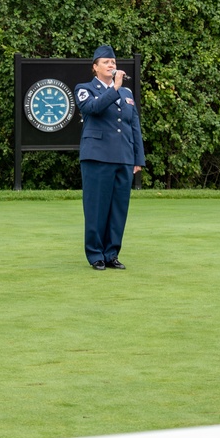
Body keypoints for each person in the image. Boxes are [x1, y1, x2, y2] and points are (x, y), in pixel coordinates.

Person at [75, 44, 145, 270]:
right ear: (95, 67)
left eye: (113, 62)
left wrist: (138, 158)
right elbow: (93, 108)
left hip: (123, 157)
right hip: (97, 156)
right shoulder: (84, 88)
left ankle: (111, 253)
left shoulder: (127, 93)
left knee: (118, 208)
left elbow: (134, 126)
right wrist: (114, 88)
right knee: (96, 207)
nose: (111, 65)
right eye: (106, 62)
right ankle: (95, 254)